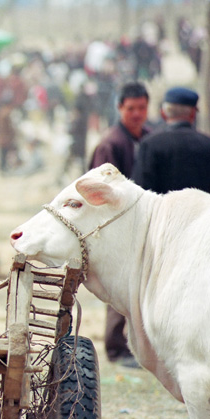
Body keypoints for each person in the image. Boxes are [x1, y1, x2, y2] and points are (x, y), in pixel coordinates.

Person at [89, 81, 150, 368]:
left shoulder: (149, 138)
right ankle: (115, 347)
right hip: (116, 225)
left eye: (141, 108)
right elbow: (99, 191)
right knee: (119, 286)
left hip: (145, 222)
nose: (137, 114)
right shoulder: (110, 144)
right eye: (131, 108)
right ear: (119, 108)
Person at [132, 87, 210, 194]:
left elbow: (139, 193)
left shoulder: (150, 145)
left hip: (162, 211)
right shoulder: (207, 144)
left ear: (163, 113)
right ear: (193, 114)